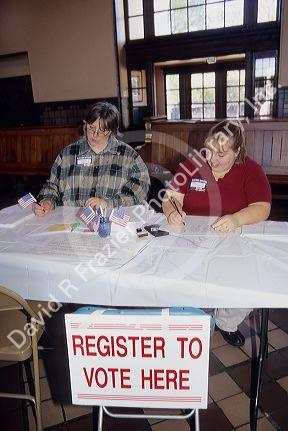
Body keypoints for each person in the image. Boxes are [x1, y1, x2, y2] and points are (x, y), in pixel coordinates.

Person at [162, 120, 271, 347]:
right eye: (209, 151)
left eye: (221, 154)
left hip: (234, 240)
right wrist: (173, 211)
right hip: (193, 239)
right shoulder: (193, 165)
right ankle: (190, 318)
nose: (211, 159)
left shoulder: (251, 169)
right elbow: (170, 198)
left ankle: (225, 321)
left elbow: (262, 208)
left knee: (251, 281)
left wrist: (235, 219)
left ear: (237, 151)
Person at [35, 101, 150, 216]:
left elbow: (141, 192)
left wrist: (108, 203)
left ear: (110, 130)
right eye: (91, 127)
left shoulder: (128, 156)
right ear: (85, 124)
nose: (94, 135)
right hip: (70, 224)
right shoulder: (68, 154)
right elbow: (52, 185)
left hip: (110, 225)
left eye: (102, 131)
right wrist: (48, 201)